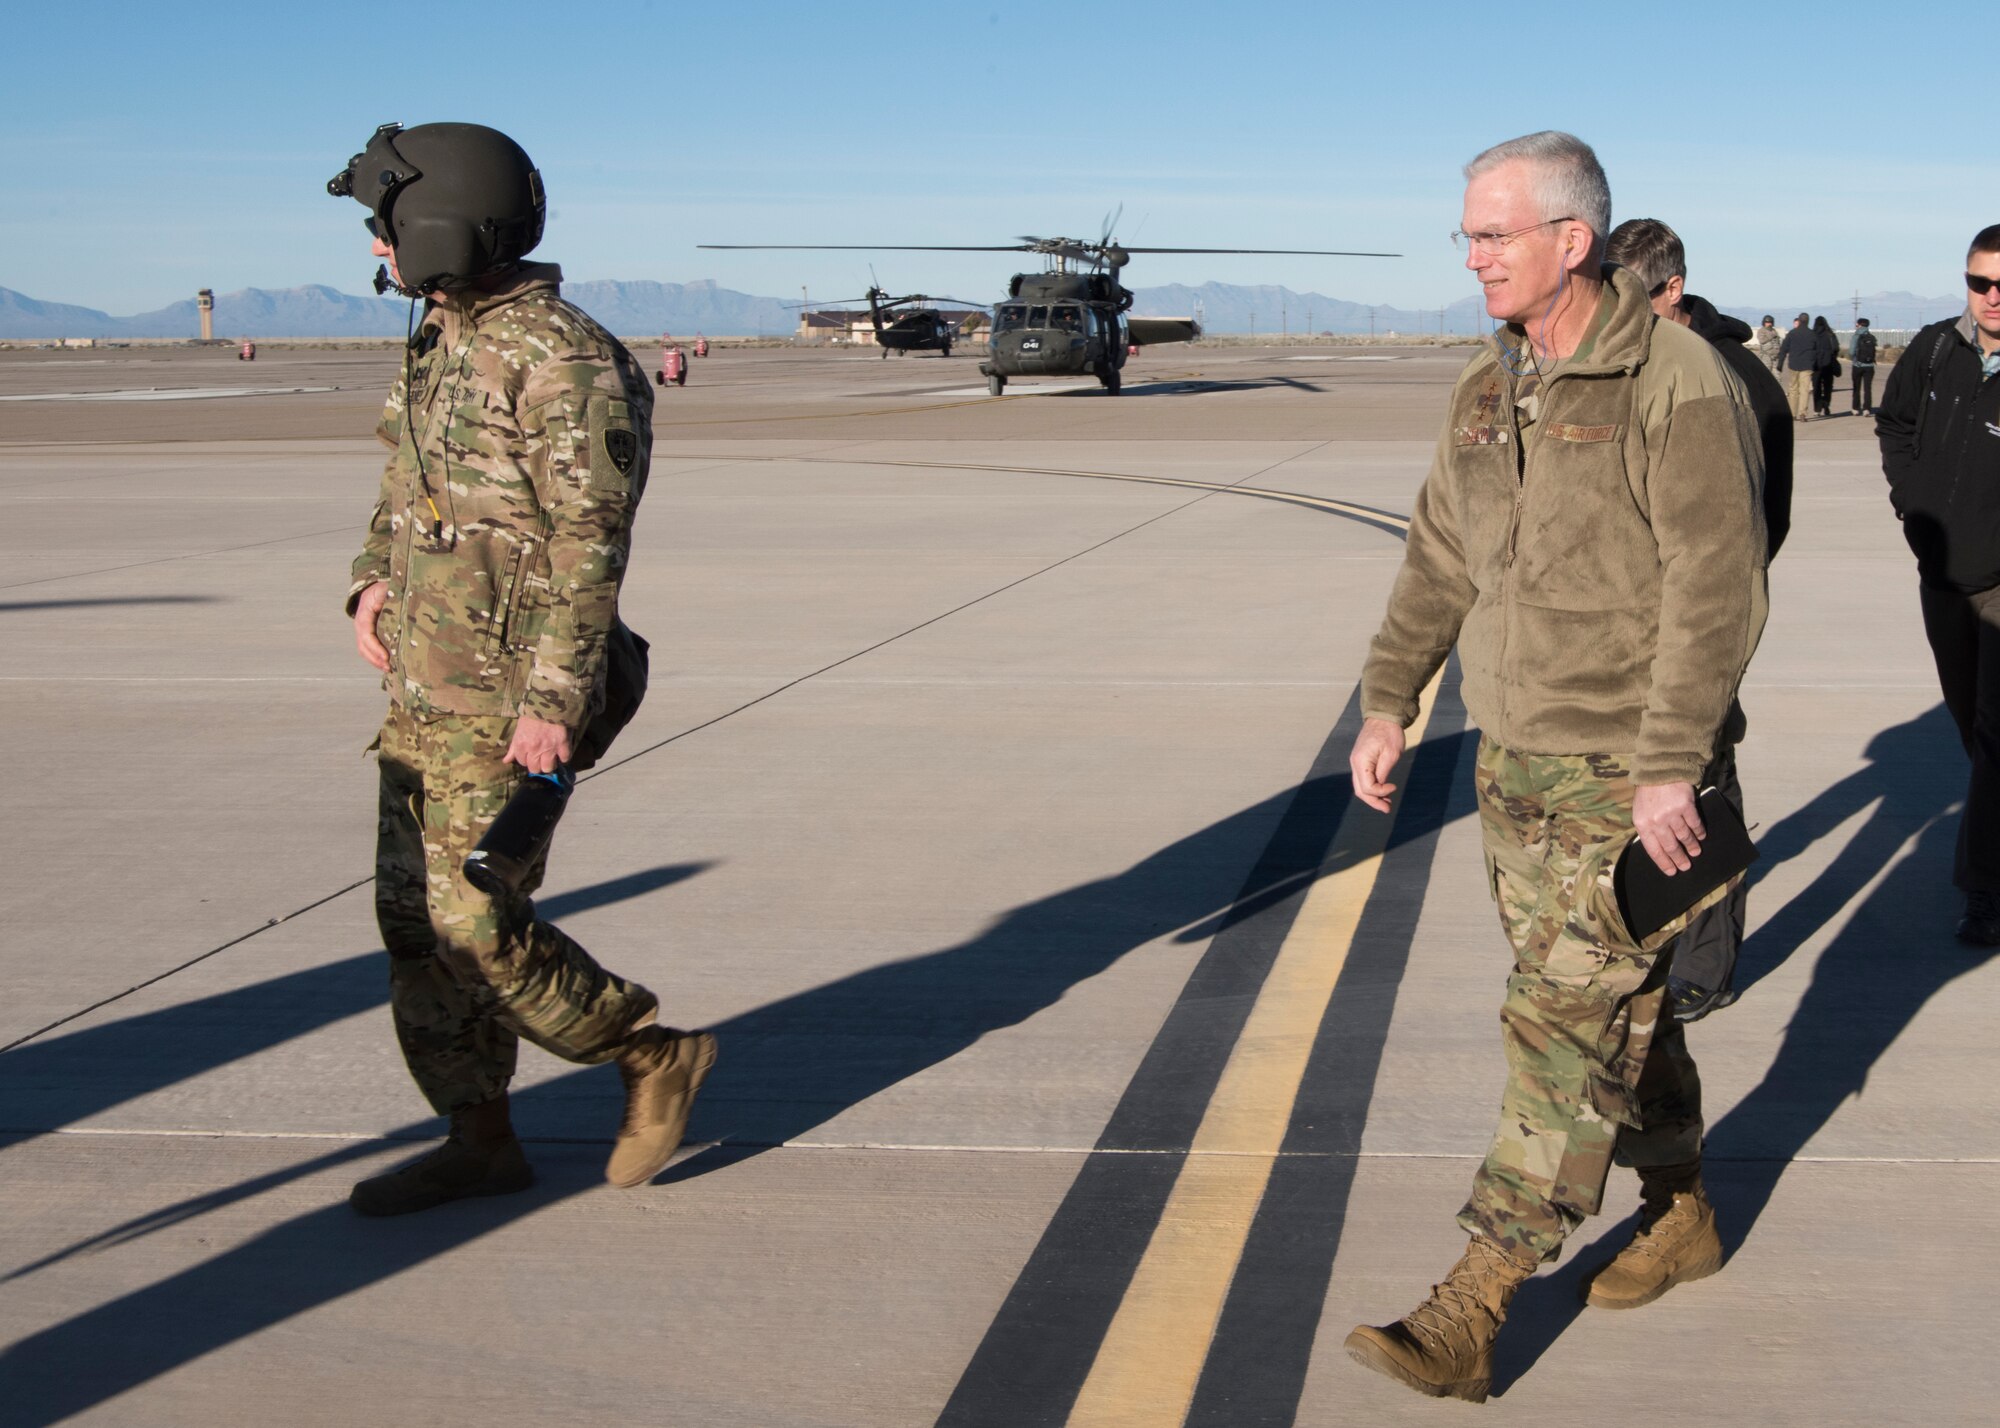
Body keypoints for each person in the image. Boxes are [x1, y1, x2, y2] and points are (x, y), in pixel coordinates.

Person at [1342, 132, 1766, 1403]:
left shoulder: (1673, 381)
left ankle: (1474, 1303)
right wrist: (1386, 697)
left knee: (1559, 1024)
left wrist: (1668, 766)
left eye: (1493, 235)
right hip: (1513, 765)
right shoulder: (1488, 387)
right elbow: (1436, 558)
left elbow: (1714, 586)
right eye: (1467, 236)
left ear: (1569, 243)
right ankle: (1681, 1205)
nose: (1471, 256)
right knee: (1611, 1010)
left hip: (1627, 769)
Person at [327, 122, 716, 1216]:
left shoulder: (565, 360)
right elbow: (408, 486)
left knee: (474, 919)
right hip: (426, 680)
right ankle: (479, 1136)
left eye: (384, 229)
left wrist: (554, 706)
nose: (373, 251)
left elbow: (590, 547)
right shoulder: (443, 335)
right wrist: (370, 579)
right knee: (414, 927)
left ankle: (645, 1049)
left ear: (443, 227)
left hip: (510, 696)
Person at [1603, 218, 1792, 1020]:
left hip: (1700, 614)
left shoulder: (1735, 381)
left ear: (1671, 291)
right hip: (1621, 619)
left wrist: (1704, 614)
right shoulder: (1629, 360)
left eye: (1628, 295)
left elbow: (1754, 528)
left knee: (1703, 774)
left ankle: (1706, 965)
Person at [1876, 225, 2000, 946]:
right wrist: (1911, 500)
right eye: (1979, 283)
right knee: (1970, 726)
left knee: (1994, 731)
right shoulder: (1933, 349)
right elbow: (1894, 423)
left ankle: (1983, 890)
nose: (1990, 298)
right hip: (1941, 571)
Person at [1776, 311, 1817, 419]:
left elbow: (1784, 349)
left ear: (1799, 321)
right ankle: (1802, 413)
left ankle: (1793, 413)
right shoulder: (1812, 334)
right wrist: (1816, 365)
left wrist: (1780, 363)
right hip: (1807, 366)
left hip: (1793, 365)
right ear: (1808, 321)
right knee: (1804, 390)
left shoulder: (1792, 333)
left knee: (1793, 389)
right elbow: (1817, 351)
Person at [1810, 315, 1839, 416]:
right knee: (1828, 386)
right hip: (1828, 364)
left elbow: (1810, 349)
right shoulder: (1830, 335)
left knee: (1816, 386)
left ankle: (1817, 409)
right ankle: (1826, 404)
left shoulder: (1812, 334)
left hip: (1816, 365)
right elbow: (1836, 348)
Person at [1850, 317, 1878, 415]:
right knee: (1867, 388)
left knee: (1856, 387)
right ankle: (1867, 409)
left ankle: (1856, 408)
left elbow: (1851, 351)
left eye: (1857, 324)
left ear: (1860, 325)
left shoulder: (1856, 336)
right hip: (1869, 366)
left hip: (1857, 365)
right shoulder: (1871, 337)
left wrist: (1854, 359)